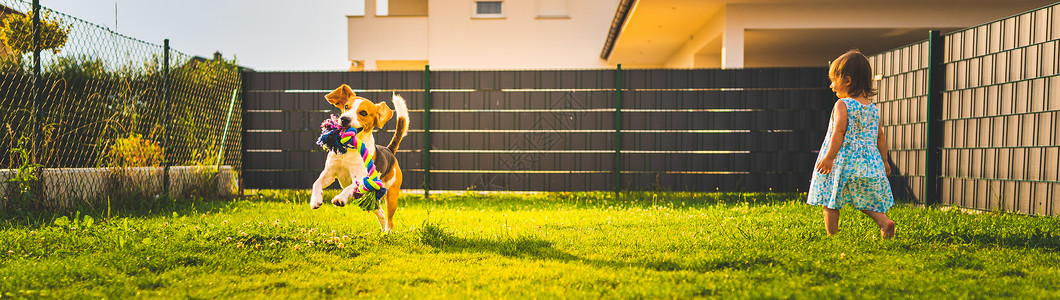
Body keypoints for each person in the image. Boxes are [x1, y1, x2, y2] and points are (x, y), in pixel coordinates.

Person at [807, 49, 896, 238]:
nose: (831, 86)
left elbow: (839, 131)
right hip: (867, 161)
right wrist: (885, 161)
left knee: (831, 199)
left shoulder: (843, 104)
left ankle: (832, 237)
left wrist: (830, 157)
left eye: (834, 80)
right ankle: (884, 222)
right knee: (865, 199)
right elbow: (880, 136)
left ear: (847, 80)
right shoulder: (872, 108)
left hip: (842, 160)